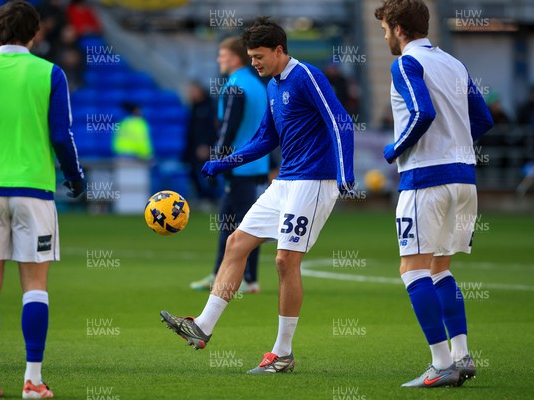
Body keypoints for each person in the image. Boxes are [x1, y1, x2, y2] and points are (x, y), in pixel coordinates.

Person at [161, 16, 355, 374]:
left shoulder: (307, 77)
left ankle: (282, 353)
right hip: (284, 183)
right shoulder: (271, 87)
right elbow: (267, 138)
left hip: (312, 183)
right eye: (250, 57)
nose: (254, 63)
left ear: (280, 50)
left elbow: (340, 120)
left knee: (284, 261)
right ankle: (202, 326)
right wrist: (225, 162)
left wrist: (346, 173)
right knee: (236, 243)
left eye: (259, 56)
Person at [0, 1, 85, 398]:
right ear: (36, 33)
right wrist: (75, 177)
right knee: (35, 287)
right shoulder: (49, 73)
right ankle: (33, 380)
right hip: (34, 192)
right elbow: (62, 135)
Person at [374, 0, 494, 388]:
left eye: (385, 30)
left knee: (412, 270)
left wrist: (394, 150)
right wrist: (455, 147)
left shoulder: (406, 63)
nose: (385, 37)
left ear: (398, 28)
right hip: (464, 179)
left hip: (426, 179)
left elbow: (422, 113)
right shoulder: (453, 63)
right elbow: (484, 118)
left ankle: (441, 364)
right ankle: (461, 356)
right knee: (440, 268)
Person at [189, 37, 269, 294]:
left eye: (222, 54)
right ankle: (219, 274)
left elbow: (227, 130)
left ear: (235, 58)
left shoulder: (235, 86)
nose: (218, 59)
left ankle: (249, 279)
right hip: (255, 164)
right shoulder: (257, 84)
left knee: (245, 226)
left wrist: (217, 163)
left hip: (238, 166)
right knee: (229, 223)